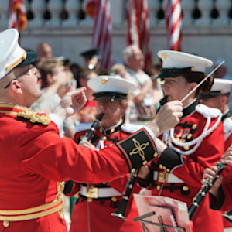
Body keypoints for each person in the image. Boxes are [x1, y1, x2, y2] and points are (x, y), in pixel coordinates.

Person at [0, 29, 183, 232]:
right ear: (16, 86)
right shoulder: (29, 133)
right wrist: (154, 128)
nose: (36, 72)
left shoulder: (17, 126)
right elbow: (97, 166)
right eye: (28, 69)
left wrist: (60, 113)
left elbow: (30, 137)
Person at [143, 50, 225, 232]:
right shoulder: (160, 117)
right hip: (157, 209)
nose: (164, 87)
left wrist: (167, 155)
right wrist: (145, 174)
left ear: (192, 87)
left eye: (171, 82)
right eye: (164, 82)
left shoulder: (208, 122)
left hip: (193, 215)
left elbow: (207, 176)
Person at [66, 75, 149, 232]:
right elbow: (73, 184)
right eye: (100, 102)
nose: (102, 108)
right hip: (85, 213)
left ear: (124, 106)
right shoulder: (81, 134)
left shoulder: (132, 138)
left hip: (119, 214)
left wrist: (95, 159)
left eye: (109, 103)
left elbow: (136, 183)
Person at [201, 78, 232, 231]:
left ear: (223, 99)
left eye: (206, 99)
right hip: (212, 207)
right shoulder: (202, 127)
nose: (201, 103)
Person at [123, 45, 154, 124]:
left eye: (141, 54)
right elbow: (136, 99)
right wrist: (148, 85)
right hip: (135, 121)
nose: (141, 57)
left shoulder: (145, 76)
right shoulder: (125, 76)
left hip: (148, 119)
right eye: (137, 55)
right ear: (128, 60)